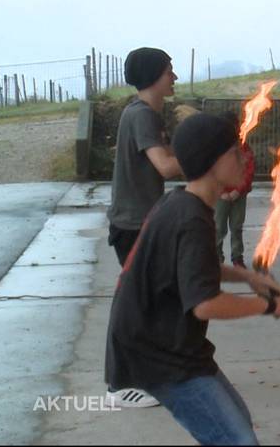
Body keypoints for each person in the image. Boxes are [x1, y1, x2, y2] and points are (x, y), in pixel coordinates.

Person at [105, 113, 280, 445]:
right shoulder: (190, 219)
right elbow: (205, 305)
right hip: (156, 355)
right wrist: (270, 305)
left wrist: (246, 276)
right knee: (236, 439)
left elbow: (192, 266)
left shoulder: (182, 202)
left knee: (237, 423)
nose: (244, 158)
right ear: (212, 163)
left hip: (171, 346)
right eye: (234, 153)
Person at [105, 46, 182, 408]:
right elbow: (166, 167)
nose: (175, 77)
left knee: (152, 301)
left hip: (139, 222)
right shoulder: (143, 117)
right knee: (135, 304)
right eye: (170, 71)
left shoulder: (145, 113)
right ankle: (121, 385)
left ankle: (148, 372)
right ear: (154, 76)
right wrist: (209, 156)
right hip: (134, 225)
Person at [215, 112, 255, 268]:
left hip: (239, 194)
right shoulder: (216, 147)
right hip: (221, 196)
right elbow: (213, 170)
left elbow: (249, 170)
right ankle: (217, 258)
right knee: (218, 227)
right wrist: (221, 192)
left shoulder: (243, 146)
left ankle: (237, 257)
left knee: (237, 227)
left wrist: (238, 190)